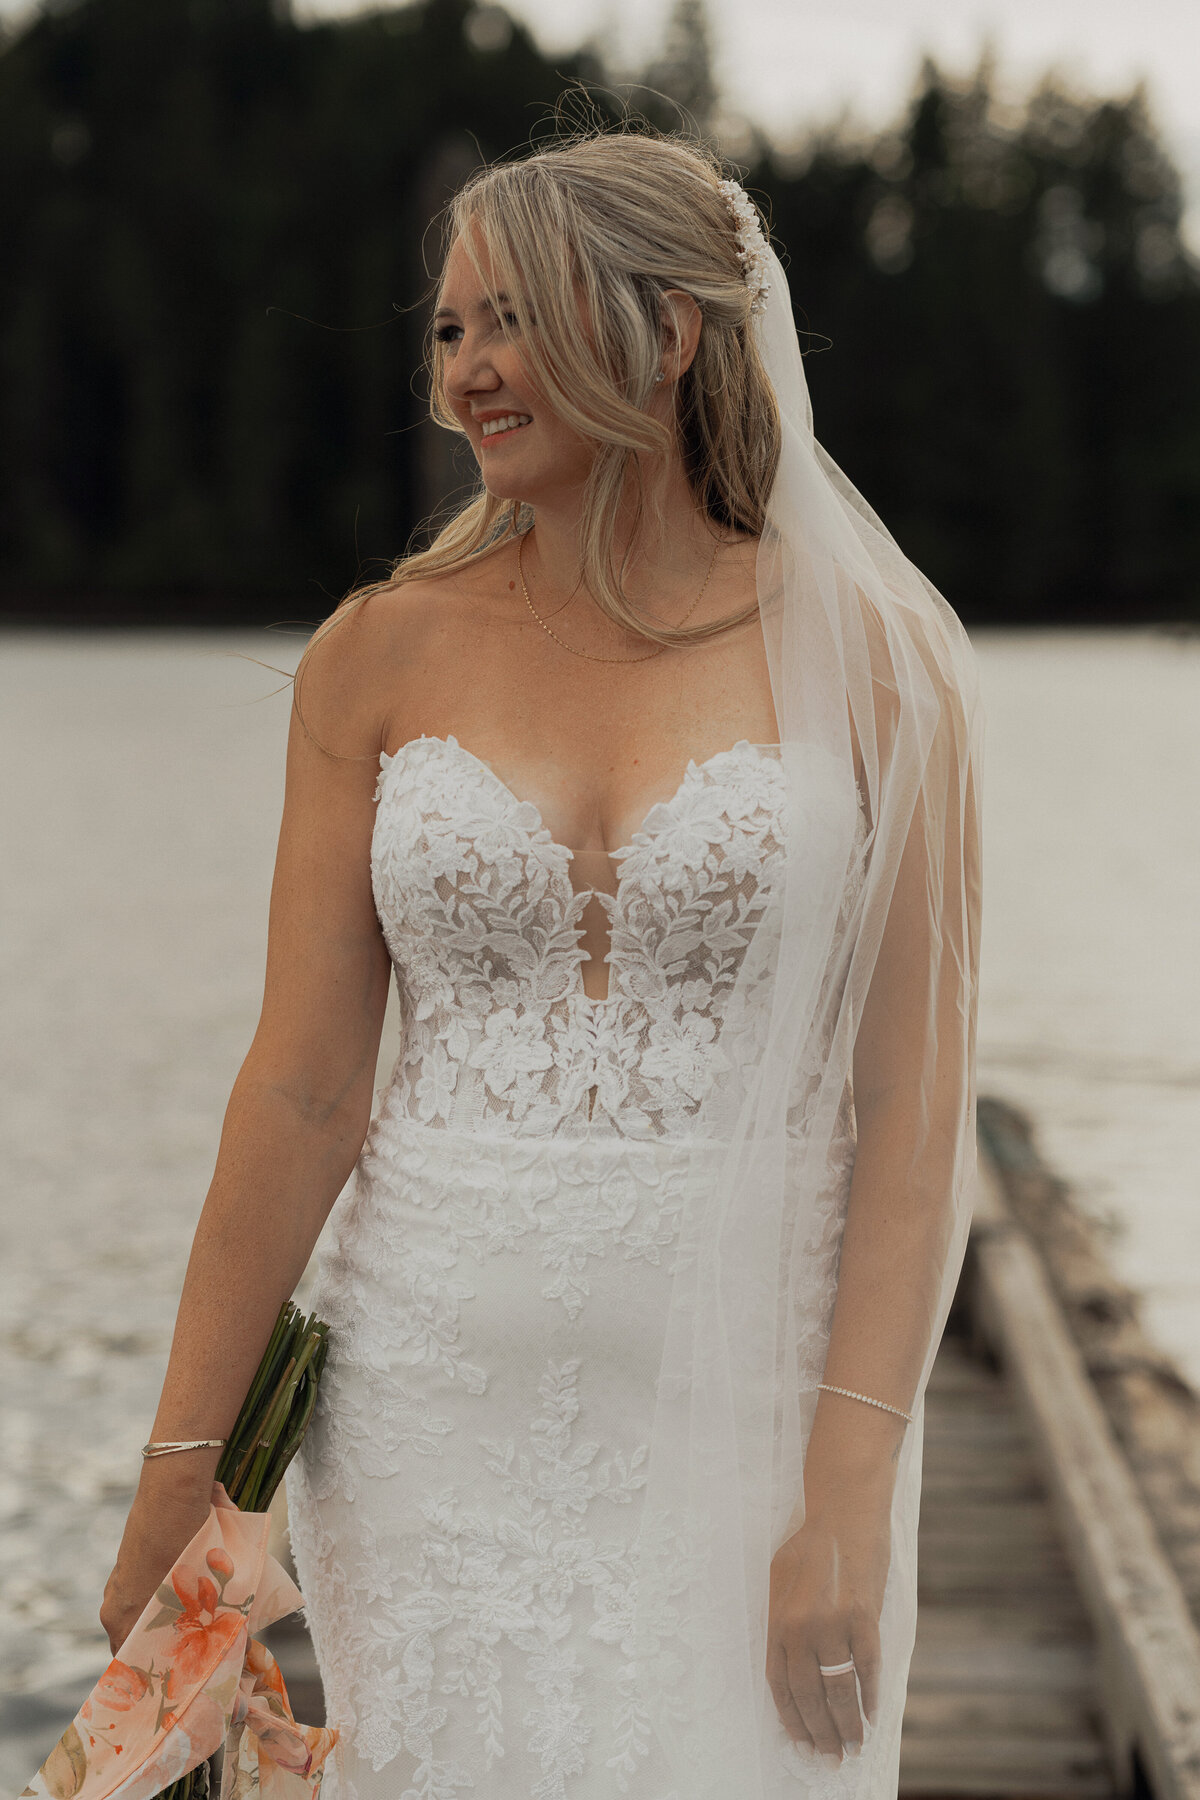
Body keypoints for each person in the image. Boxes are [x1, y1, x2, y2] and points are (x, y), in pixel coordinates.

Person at [100, 126, 982, 1800]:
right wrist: (184, 1460)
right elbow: (299, 1087)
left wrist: (849, 1488)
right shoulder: (376, 654)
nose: (469, 369)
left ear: (667, 335)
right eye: (448, 329)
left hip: (749, 1412)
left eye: (512, 319)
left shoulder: (878, 665)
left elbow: (914, 1108)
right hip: (427, 1412)